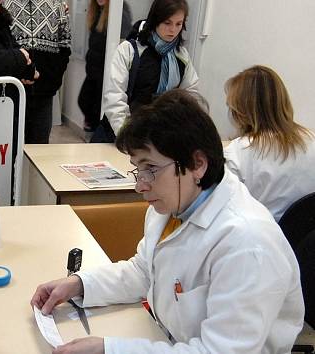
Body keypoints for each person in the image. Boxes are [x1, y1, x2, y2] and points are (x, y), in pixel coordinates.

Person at [31, 90, 304, 353]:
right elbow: (144, 270)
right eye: (138, 169)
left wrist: (111, 349)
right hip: (164, 335)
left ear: (198, 164)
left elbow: (219, 350)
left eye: (150, 169)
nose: (140, 185)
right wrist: (79, 284)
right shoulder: (174, 204)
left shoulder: (247, 244)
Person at [92, 0, 199, 142]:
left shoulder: (181, 55)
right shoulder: (129, 50)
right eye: (167, 23)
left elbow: (191, 96)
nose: (173, 30)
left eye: (178, 24)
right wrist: (127, 135)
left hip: (159, 136)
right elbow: (114, 96)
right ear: (155, 20)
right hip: (121, 134)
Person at [224, 65, 315, 222]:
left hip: (260, 241)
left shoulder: (238, 153)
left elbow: (224, 213)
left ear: (241, 112)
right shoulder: (311, 139)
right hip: (304, 241)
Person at [5, 0, 71, 143]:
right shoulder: (3, 4)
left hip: (44, 94)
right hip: (11, 93)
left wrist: (54, 79)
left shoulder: (57, 4)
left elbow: (65, 45)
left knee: (39, 149)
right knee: (9, 148)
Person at [78, 0, 131, 134]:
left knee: (97, 108)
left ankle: (95, 134)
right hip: (93, 71)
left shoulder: (119, 12)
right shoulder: (97, 12)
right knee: (85, 101)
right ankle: (92, 128)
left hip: (105, 72)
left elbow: (122, 42)